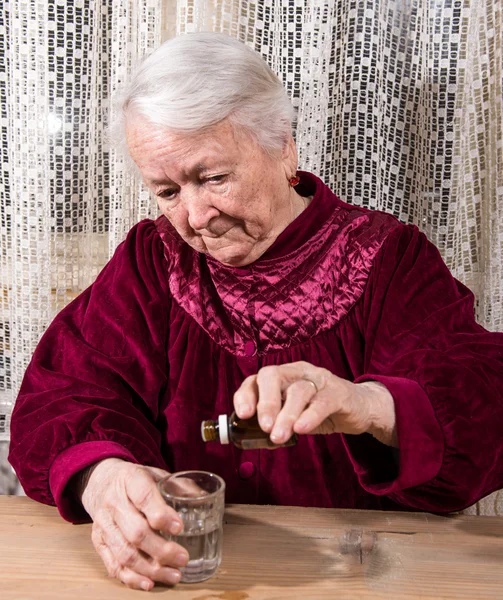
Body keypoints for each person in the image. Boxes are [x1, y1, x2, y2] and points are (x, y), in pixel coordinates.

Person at [8, 32, 503, 591]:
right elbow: (65, 393)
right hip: (186, 581)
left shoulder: (387, 258)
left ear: (283, 147)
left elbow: (481, 397)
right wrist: (104, 479)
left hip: (358, 580)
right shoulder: (152, 260)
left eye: (213, 178)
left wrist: (366, 404)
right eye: (167, 191)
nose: (195, 217)